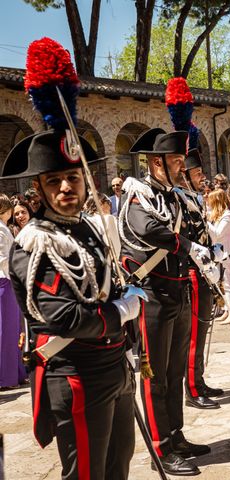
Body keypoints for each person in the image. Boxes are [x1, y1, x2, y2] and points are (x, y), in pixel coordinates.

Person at [5, 129, 138, 479]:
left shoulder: (89, 230)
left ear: (86, 179)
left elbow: (105, 287)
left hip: (115, 363)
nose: (65, 187)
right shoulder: (35, 243)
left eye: (72, 177)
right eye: (54, 180)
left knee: (118, 464)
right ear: (39, 188)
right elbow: (64, 317)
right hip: (77, 372)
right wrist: (121, 312)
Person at [119, 128, 215, 475]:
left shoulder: (174, 198)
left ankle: (175, 435)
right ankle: (160, 448)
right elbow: (147, 229)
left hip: (178, 293)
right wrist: (188, 246)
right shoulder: (138, 198)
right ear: (156, 163)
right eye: (175, 161)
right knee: (155, 375)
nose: (180, 166)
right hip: (153, 297)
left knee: (175, 373)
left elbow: (192, 227)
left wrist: (208, 248)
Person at [180, 147, 224, 410]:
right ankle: (193, 389)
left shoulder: (195, 199)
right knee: (195, 332)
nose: (202, 177)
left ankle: (199, 379)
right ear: (185, 176)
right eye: (196, 173)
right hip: (194, 272)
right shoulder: (182, 201)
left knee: (203, 328)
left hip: (204, 269)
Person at [0, 194, 27, 389]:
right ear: (7, 211)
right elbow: (3, 258)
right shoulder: (1, 230)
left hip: (7, 279)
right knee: (7, 331)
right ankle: (6, 377)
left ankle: (15, 373)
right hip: (5, 279)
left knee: (13, 329)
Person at [207, 189, 230, 325]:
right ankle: (227, 310)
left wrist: (206, 223)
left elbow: (218, 233)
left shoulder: (227, 215)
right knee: (222, 285)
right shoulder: (219, 215)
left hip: (227, 254)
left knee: (227, 283)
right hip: (219, 253)